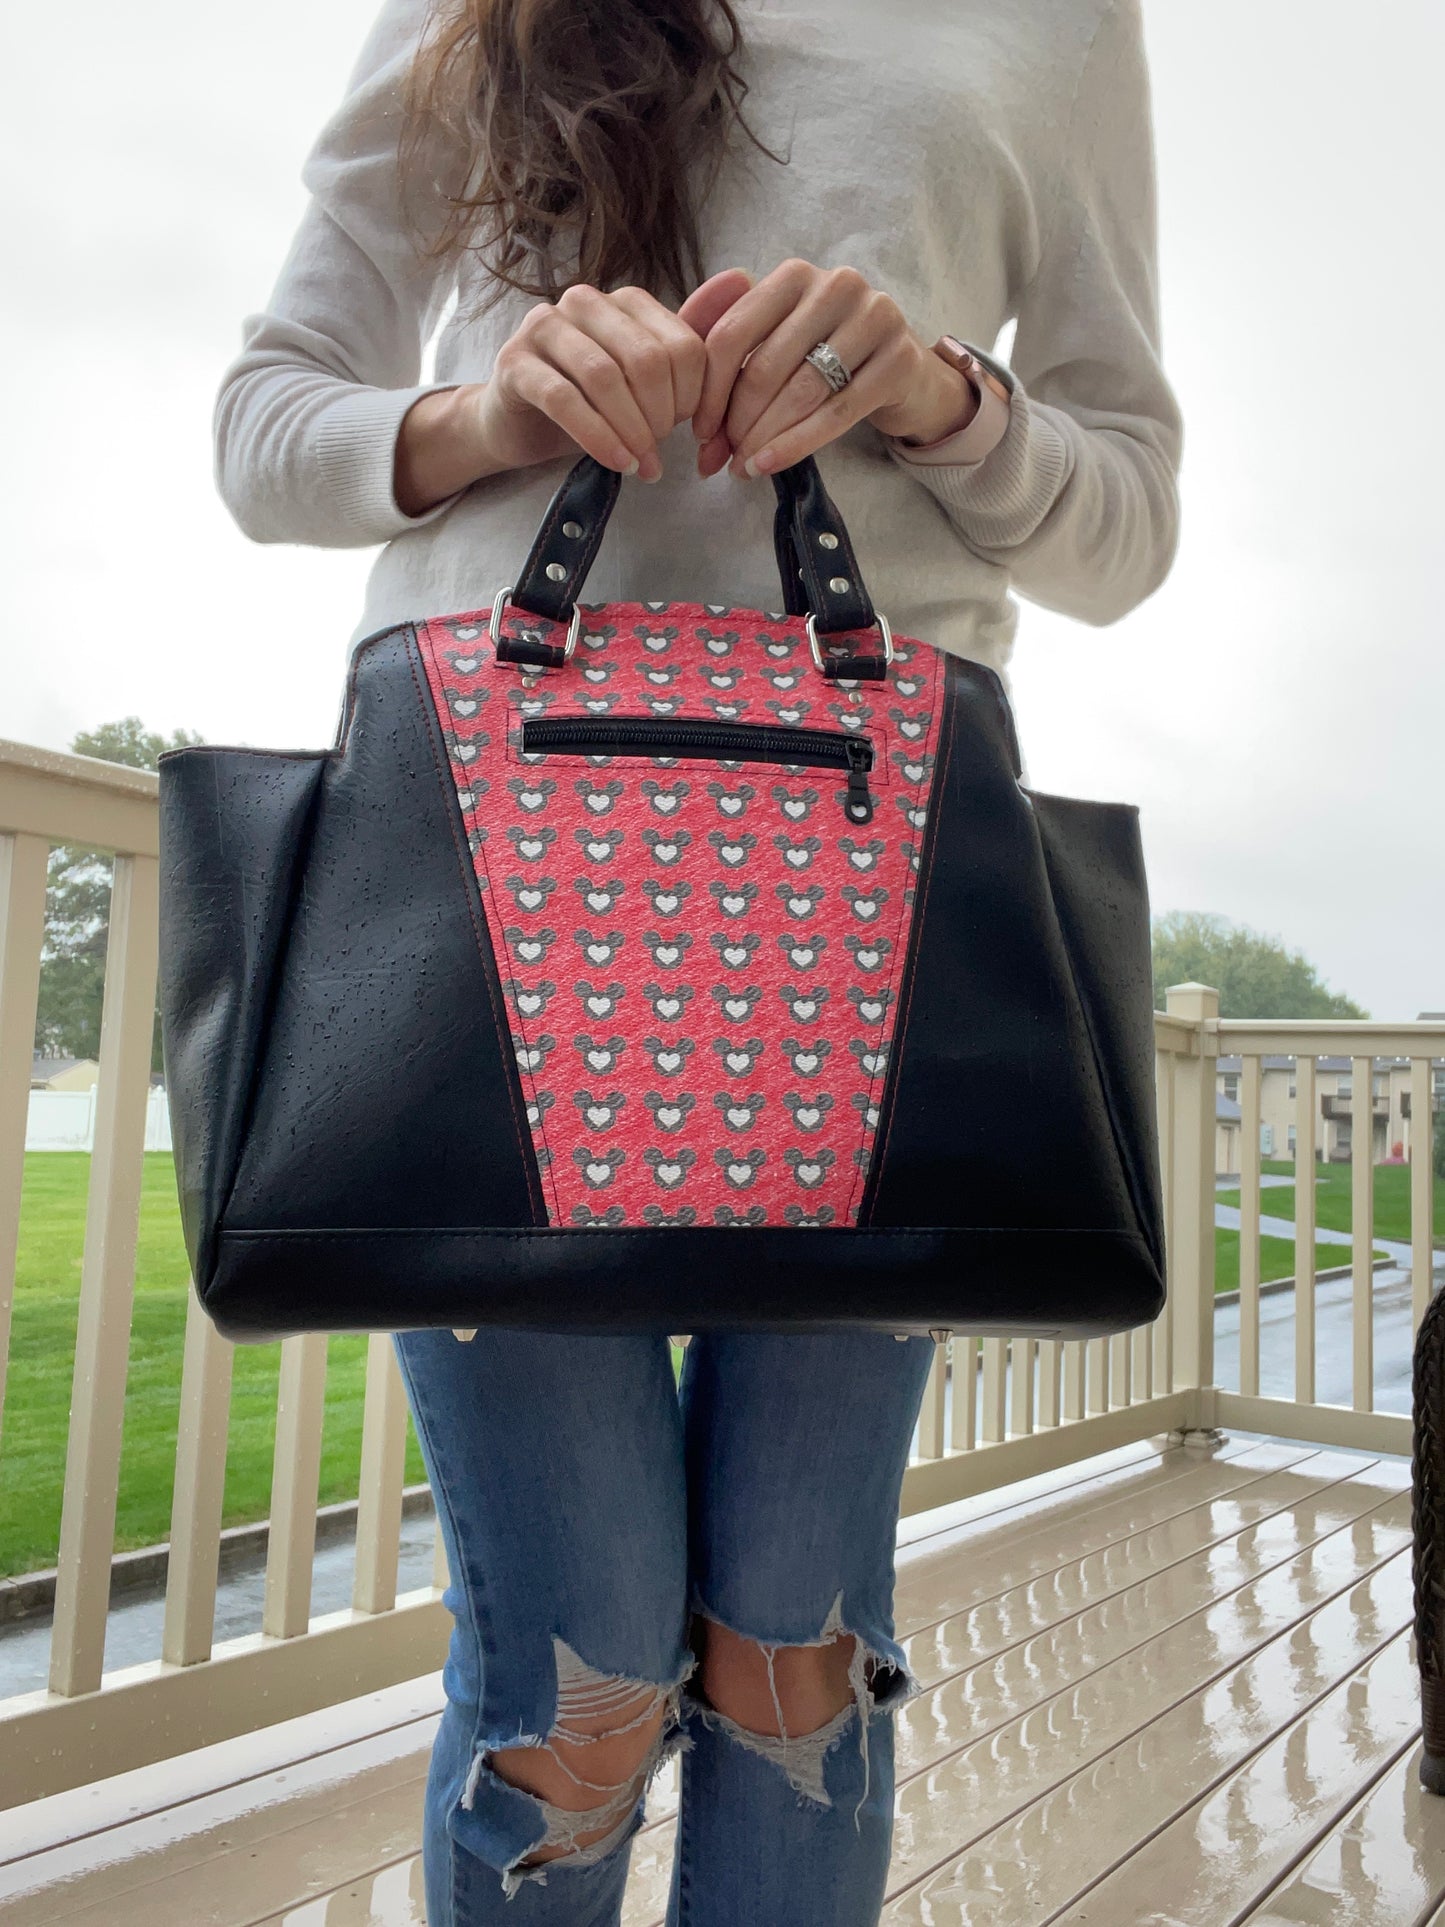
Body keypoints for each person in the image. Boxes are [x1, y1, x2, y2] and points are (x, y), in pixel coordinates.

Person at [212, 0, 1183, 1918]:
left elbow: (1125, 522)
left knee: (791, 1647)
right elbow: (266, 427)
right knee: (568, 1667)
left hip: (866, 911)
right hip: (494, 896)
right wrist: (491, 412)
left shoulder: (1056, 20)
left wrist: (943, 399)